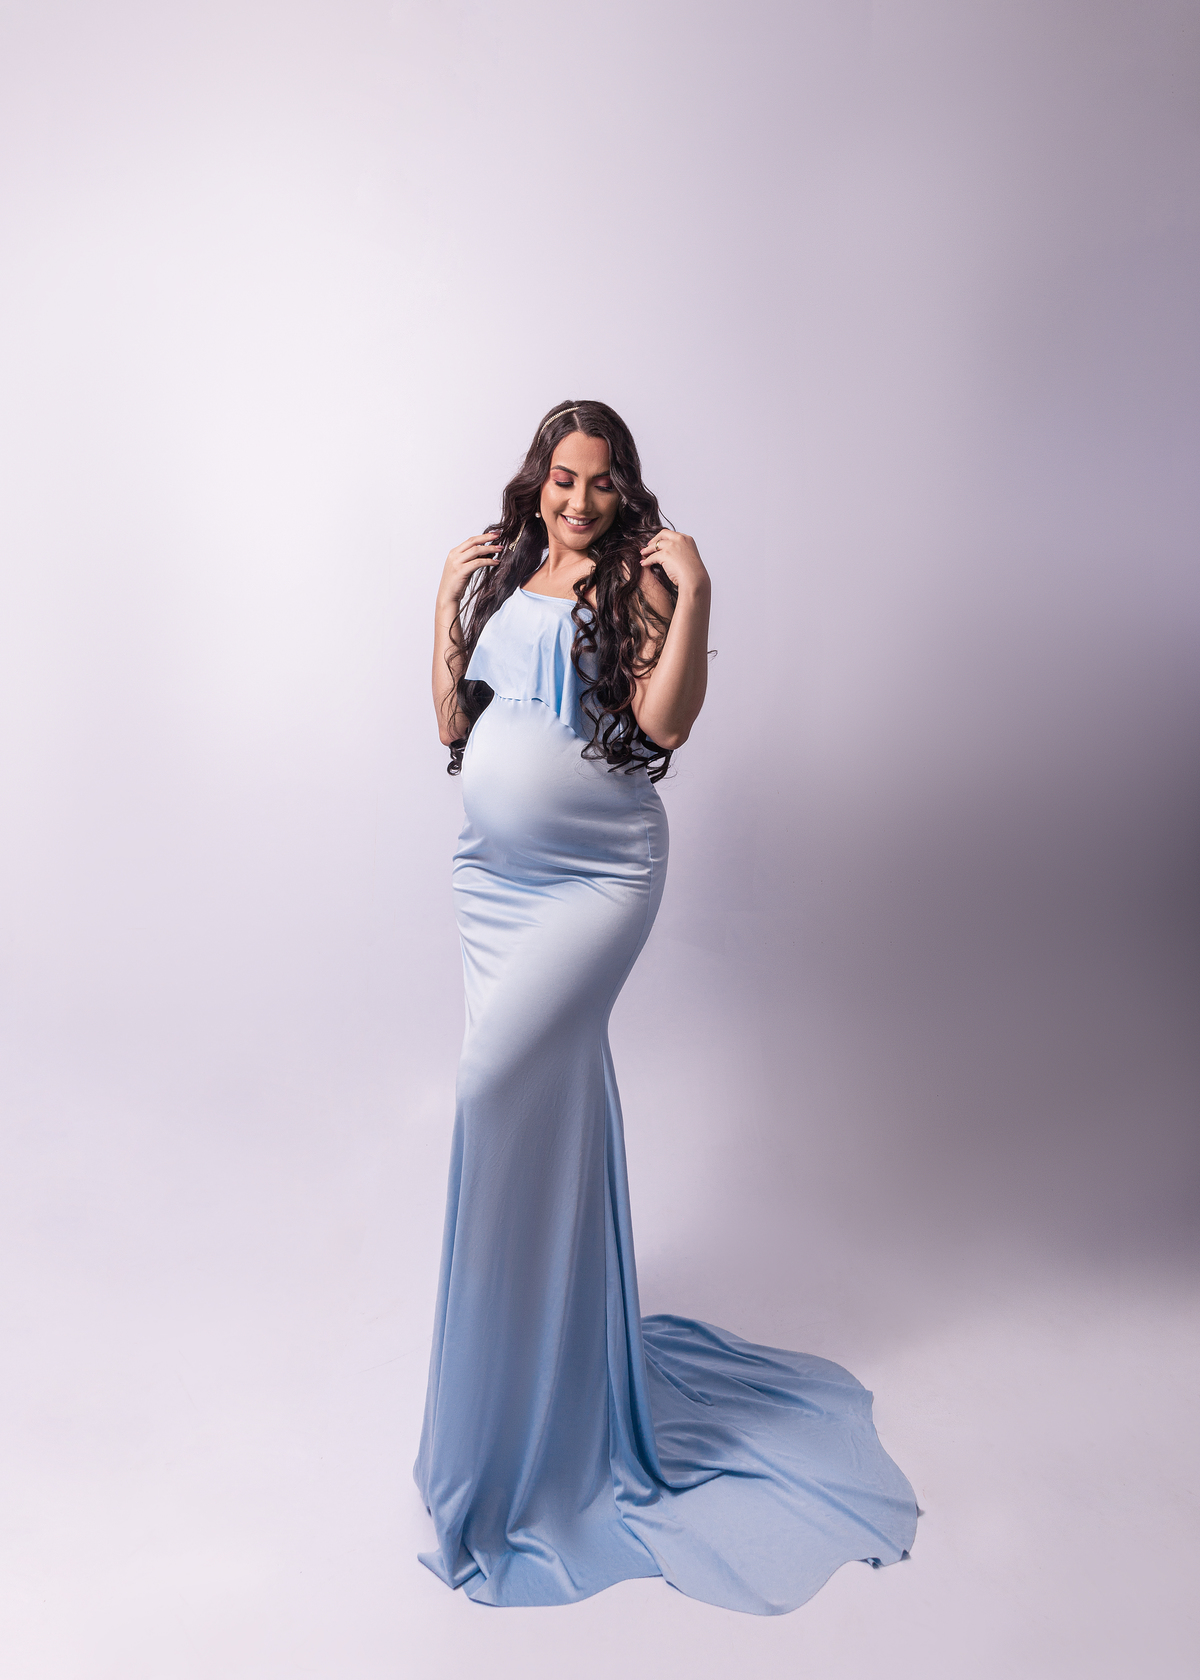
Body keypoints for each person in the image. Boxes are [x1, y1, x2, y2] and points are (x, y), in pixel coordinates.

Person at [416, 400, 917, 1613]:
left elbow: (663, 723)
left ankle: (540, 1414)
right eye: (563, 478)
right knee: (545, 1105)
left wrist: (695, 593)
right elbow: (451, 724)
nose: (579, 501)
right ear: (538, 479)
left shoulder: (640, 580)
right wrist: (441, 600)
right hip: (494, 885)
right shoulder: (503, 574)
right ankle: (526, 1380)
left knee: (492, 1092)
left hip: (596, 878)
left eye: (601, 482)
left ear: (624, 488)